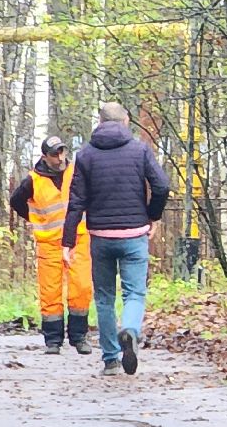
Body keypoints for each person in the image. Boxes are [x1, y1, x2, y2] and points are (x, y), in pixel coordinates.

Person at [62, 102, 169, 375]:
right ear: (126, 121)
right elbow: (161, 185)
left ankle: (111, 359)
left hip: (100, 236)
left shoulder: (85, 154)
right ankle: (130, 330)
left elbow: (76, 201)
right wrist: (152, 216)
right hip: (134, 234)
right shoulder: (140, 149)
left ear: (100, 122)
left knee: (105, 297)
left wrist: (68, 241)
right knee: (135, 293)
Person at [8, 136, 92, 355]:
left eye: (62, 152)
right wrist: (37, 220)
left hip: (78, 239)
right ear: (45, 156)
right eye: (55, 154)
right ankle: (53, 340)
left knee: (81, 288)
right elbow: (16, 201)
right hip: (49, 242)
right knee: (50, 292)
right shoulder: (33, 180)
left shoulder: (76, 173)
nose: (60, 157)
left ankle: (79, 336)